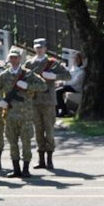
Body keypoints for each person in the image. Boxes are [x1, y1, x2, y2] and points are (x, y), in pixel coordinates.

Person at [0, 47, 47, 179]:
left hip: (25, 115)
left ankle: (25, 169)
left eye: (16, 57)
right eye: (11, 57)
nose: (13, 60)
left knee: (26, 143)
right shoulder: (4, 75)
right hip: (10, 115)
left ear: (20, 59)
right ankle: (16, 169)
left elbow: (43, 86)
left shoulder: (27, 74)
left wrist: (28, 86)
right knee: (13, 143)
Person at [26, 38, 70, 170]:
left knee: (49, 130)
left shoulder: (52, 63)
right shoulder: (29, 63)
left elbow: (68, 75)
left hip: (48, 101)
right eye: (37, 47)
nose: (39, 49)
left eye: (41, 47)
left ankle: (49, 159)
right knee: (38, 131)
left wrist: (54, 76)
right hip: (34, 101)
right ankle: (41, 160)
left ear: (45, 48)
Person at [56, 51, 84, 117]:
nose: (75, 60)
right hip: (69, 86)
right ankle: (56, 110)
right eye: (74, 58)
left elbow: (75, 82)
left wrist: (64, 83)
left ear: (80, 60)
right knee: (55, 89)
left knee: (58, 91)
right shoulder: (73, 68)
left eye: (77, 58)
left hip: (76, 87)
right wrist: (61, 82)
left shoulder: (82, 70)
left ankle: (64, 111)